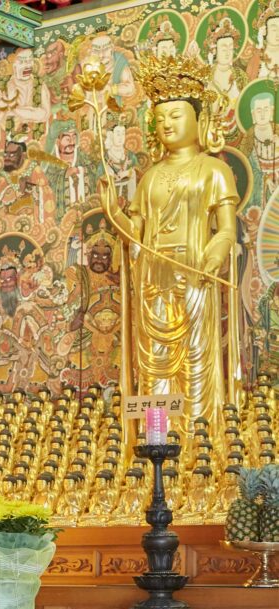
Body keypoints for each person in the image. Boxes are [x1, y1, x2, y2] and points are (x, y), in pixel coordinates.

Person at [99, 54, 238, 435]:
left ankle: (198, 439)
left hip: (195, 272)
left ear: (199, 120)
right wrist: (115, 212)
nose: (167, 124)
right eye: (160, 119)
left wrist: (215, 254)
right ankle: (157, 440)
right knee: (156, 361)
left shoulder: (214, 171)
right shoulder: (150, 178)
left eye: (176, 116)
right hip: (153, 276)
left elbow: (226, 230)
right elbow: (136, 232)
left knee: (195, 357)